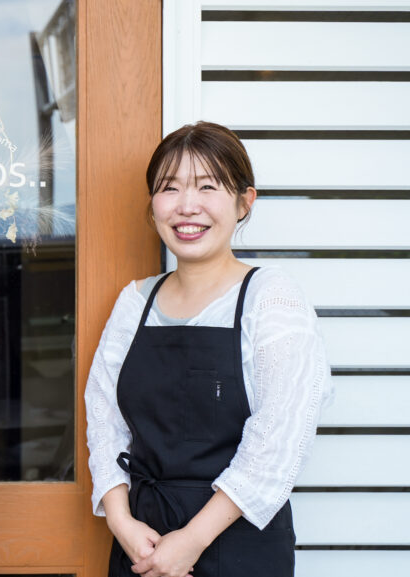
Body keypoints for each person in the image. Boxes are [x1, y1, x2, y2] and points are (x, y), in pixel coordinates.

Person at [84, 121, 332, 577]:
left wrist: (192, 540)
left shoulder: (271, 299)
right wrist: (120, 521)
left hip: (238, 543)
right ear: (153, 205)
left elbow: (280, 439)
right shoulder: (135, 302)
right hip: (142, 544)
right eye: (169, 188)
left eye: (207, 186)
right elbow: (104, 421)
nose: (186, 206)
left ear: (244, 202)